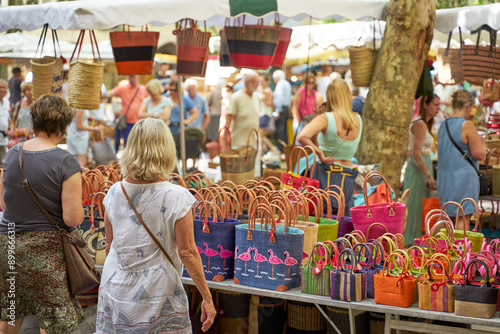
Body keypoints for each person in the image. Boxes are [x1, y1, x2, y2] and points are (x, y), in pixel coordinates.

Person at [95, 118, 216, 333]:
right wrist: (207, 298)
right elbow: (187, 252)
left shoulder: (114, 192)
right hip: (158, 295)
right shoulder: (177, 196)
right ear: (166, 150)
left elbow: (110, 247)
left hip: (116, 291)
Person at [0, 95, 84, 334]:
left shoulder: (12, 154)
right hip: (45, 253)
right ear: (63, 126)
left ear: (34, 121)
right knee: (53, 322)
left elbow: (3, 204)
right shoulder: (66, 161)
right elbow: (73, 219)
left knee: (10, 317)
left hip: (10, 245)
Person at [297, 79, 362, 216]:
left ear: (330, 96)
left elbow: (302, 136)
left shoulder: (327, 118)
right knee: (342, 221)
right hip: (348, 178)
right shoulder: (358, 120)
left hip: (327, 176)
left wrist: (320, 153)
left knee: (322, 217)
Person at [437, 90, 486, 230]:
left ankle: (441, 249)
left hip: (445, 180)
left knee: (446, 218)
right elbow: (478, 154)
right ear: (467, 106)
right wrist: (482, 144)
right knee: (462, 216)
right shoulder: (467, 125)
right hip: (463, 180)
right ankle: (460, 251)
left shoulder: (443, 125)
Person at [403, 94, 440, 243]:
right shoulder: (420, 124)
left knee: (419, 204)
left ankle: (416, 238)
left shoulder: (423, 124)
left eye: (438, 105)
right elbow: (416, 153)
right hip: (419, 168)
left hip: (422, 165)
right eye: (435, 105)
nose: (438, 108)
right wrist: (428, 175)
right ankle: (412, 239)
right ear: (425, 105)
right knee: (415, 205)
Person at [226, 71, 261, 175]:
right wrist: (226, 140)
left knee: (253, 173)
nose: (256, 85)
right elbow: (228, 121)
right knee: (239, 173)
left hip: (254, 142)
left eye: (257, 82)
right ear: (246, 82)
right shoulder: (236, 97)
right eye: (254, 82)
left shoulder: (256, 97)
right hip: (239, 143)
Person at [105, 75, 148, 151]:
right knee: (127, 146)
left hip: (141, 123)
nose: (131, 78)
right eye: (130, 76)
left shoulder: (143, 89)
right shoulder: (123, 88)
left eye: (133, 76)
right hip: (127, 123)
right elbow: (109, 94)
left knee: (140, 146)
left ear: (138, 76)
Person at [291, 72, 324, 144]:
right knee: (300, 140)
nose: (310, 85)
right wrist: (299, 121)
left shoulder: (314, 93)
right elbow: (295, 108)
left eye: (312, 83)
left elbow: (316, 108)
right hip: (301, 120)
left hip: (310, 120)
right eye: (308, 82)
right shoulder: (300, 93)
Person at [258, 74, 279, 153]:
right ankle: (265, 148)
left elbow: (270, 104)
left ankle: (272, 148)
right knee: (261, 134)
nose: (261, 83)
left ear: (266, 82)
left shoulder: (267, 91)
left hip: (265, 114)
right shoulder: (260, 89)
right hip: (260, 114)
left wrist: (264, 97)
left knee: (260, 134)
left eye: (262, 81)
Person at [272, 70, 292, 151]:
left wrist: (277, 110)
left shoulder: (280, 84)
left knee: (280, 129)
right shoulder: (286, 83)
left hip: (281, 109)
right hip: (285, 109)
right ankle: (284, 148)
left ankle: (281, 149)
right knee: (284, 129)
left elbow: (279, 98)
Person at [0, 79, 9, 164]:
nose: (2, 89)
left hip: (4, 139)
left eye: (4, 87)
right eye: (0, 87)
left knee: (4, 163)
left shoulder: (6, 102)